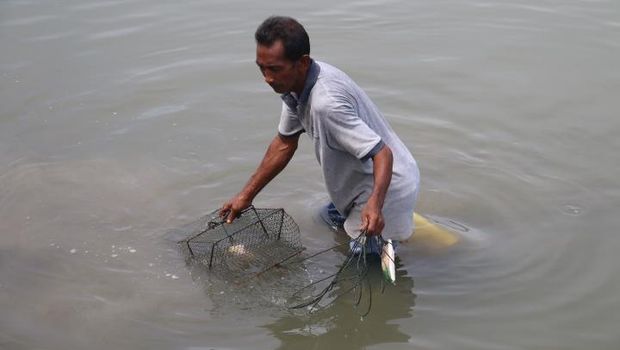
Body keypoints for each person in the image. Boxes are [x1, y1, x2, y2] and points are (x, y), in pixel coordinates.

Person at [220, 16, 420, 252]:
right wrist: (246, 196)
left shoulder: (326, 105)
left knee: (365, 273)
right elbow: (284, 143)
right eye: (261, 68)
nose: (267, 78)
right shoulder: (296, 86)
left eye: (275, 69)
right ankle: (395, 229)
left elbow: (382, 154)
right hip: (358, 186)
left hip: (388, 186)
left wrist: (375, 206)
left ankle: (391, 234)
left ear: (302, 63)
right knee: (326, 218)